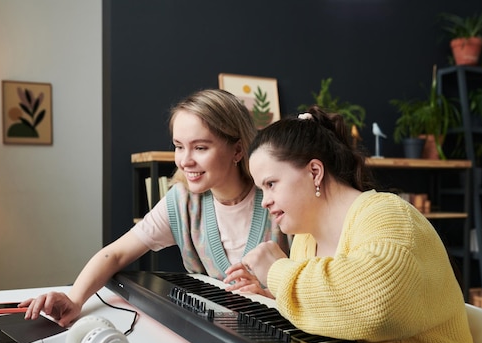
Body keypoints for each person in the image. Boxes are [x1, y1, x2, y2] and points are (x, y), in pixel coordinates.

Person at [224, 105, 482, 343]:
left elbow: (377, 303)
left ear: (314, 171)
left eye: (271, 184)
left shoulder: (389, 215)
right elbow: (335, 310)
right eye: (261, 189)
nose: (265, 201)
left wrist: (277, 270)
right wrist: (272, 296)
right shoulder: (306, 240)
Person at [20, 89, 289, 327]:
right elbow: (114, 254)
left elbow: (316, 291)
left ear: (238, 150)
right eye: (179, 146)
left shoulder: (278, 200)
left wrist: (268, 294)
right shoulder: (182, 201)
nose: (185, 160)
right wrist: (74, 299)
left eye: (200, 147)